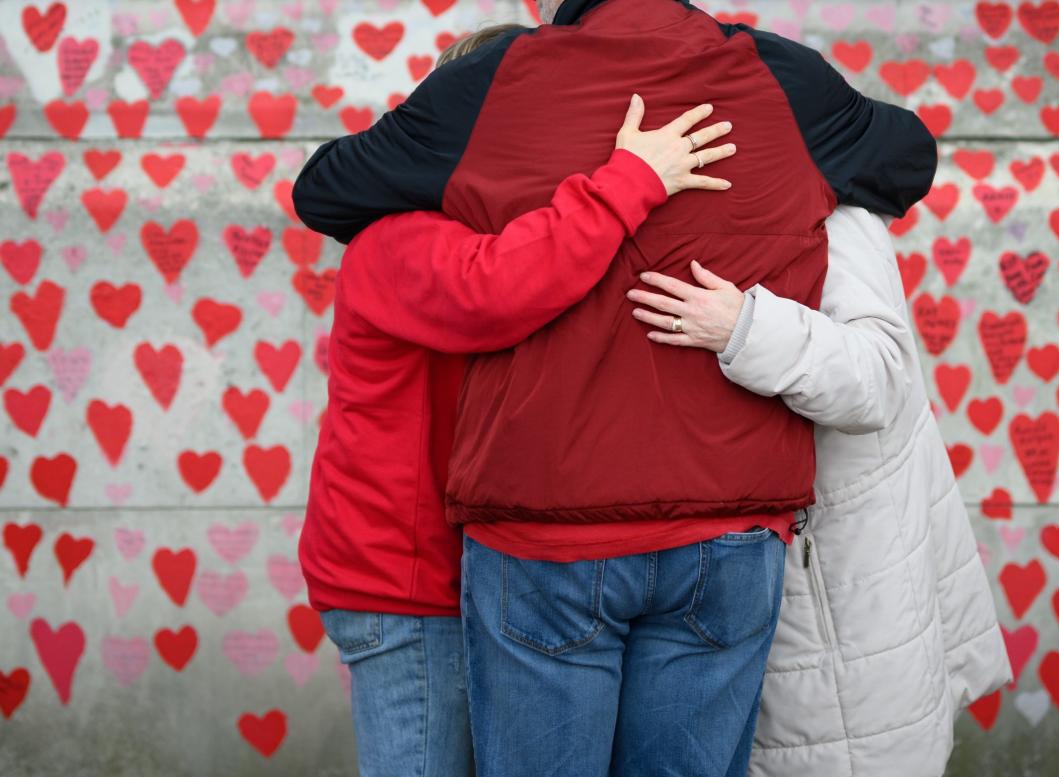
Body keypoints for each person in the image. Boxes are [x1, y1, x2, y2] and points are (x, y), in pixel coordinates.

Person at [292, 1, 939, 774]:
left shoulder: (500, 92)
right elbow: (908, 161)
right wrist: (636, 177)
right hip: (713, 526)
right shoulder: (781, 81)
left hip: (545, 534)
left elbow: (327, 188)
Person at [300, 24, 739, 777]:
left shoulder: (499, 231)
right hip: (406, 590)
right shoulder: (396, 240)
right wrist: (629, 176)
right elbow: (498, 287)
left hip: (460, 575)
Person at [628, 207, 1012, 776]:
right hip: (784, 584)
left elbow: (877, 377)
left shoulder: (834, 214)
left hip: (845, 590)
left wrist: (743, 327)